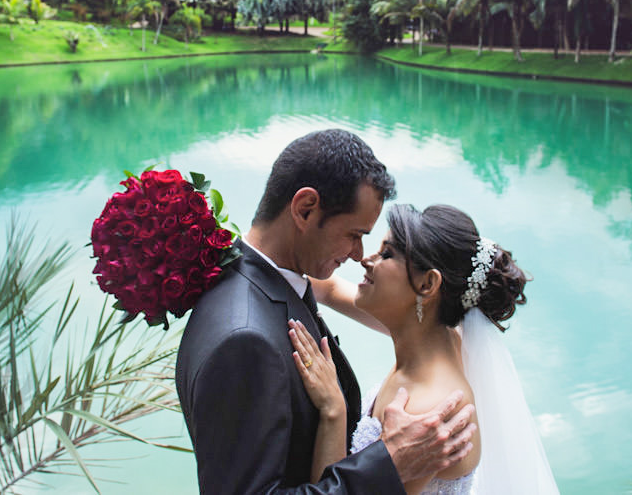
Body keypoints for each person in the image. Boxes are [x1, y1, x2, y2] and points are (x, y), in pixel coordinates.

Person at [176, 129, 478, 494]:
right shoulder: (246, 341)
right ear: (305, 209)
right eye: (354, 234)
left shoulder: (270, 282)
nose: (358, 254)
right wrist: (390, 463)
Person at [290, 203, 559, 494]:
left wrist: (334, 411)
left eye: (387, 254)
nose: (366, 260)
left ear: (428, 284)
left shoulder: (429, 413)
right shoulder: (438, 333)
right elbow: (328, 288)